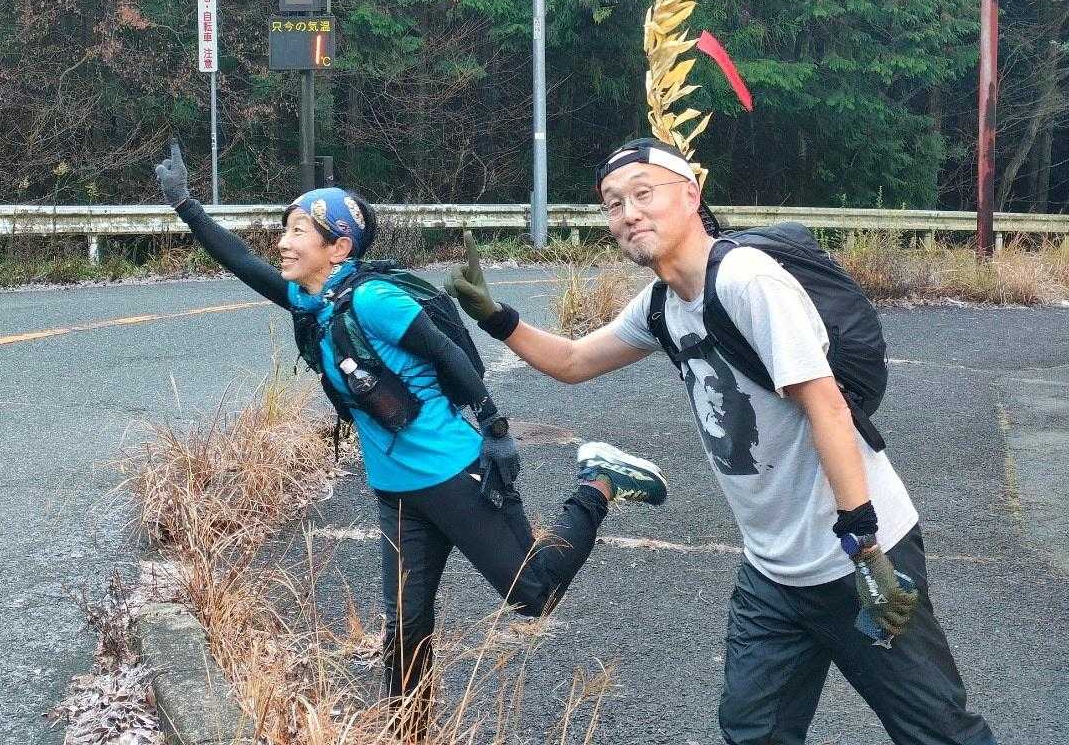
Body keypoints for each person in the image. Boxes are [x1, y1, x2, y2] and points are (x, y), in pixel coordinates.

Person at [446, 136, 997, 745]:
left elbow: (828, 407)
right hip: (774, 574)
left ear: (690, 195)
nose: (628, 213)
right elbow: (575, 361)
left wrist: (864, 546)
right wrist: (495, 316)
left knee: (937, 732)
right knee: (752, 732)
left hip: (858, 556)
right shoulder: (662, 304)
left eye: (643, 194)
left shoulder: (746, 281)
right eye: (613, 203)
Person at [154, 141, 669, 736]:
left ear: (338, 247)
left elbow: (449, 356)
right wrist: (187, 206)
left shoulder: (374, 299)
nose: (284, 243)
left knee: (534, 592)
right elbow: (244, 262)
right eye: (286, 230)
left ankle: (599, 479)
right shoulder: (312, 302)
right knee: (405, 630)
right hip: (396, 492)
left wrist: (496, 429)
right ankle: (410, 733)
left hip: (454, 475)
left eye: (299, 232)